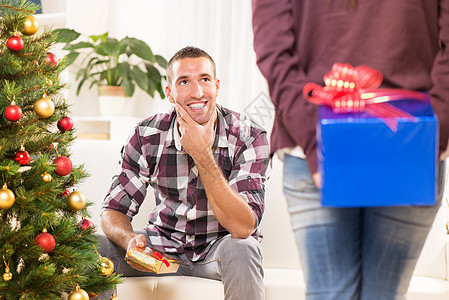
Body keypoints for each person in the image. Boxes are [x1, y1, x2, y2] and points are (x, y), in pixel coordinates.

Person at [252, 0, 448, 299]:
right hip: (403, 142)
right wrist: (427, 136)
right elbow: (274, 48)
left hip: (388, 143)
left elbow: (273, 48)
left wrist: (431, 135)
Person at [99, 46, 270, 300]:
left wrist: (202, 154)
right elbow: (113, 210)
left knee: (244, 248)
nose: (197, 92)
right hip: (162, 245)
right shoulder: (147, 134)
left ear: (217, 85)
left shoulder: (249, 135)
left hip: (219, 249)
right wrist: (129, 240)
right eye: (184, 81)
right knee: (92, 246)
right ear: (170, 92)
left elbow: (243, 227)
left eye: (204, 79)